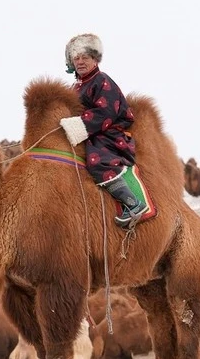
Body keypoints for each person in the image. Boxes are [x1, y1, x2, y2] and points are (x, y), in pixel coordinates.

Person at [58, 33, 152, 229]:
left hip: (108, 135)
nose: (80, 61)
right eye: (76, 57)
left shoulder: (102, 81)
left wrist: (76, 126)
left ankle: (133, 203)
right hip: (90, 133)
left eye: (85, 57)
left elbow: (106, 112)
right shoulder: (76, 87)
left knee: (96, 161)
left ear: (95, 59)